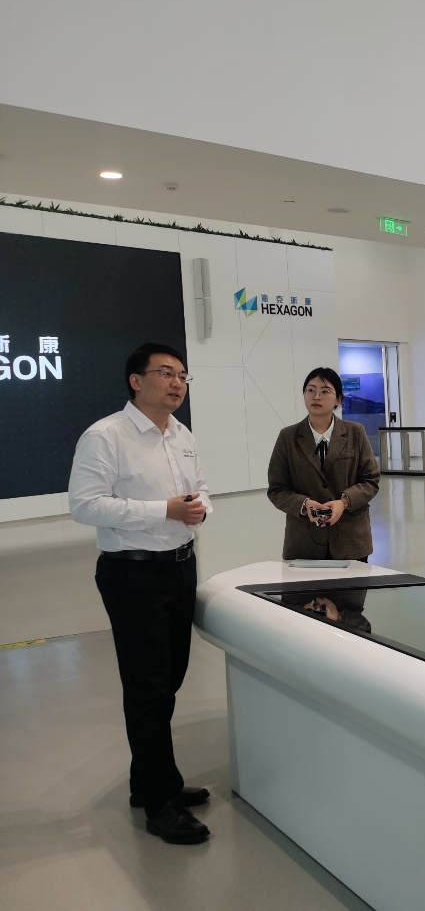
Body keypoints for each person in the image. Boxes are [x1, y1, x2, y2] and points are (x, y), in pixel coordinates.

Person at [68, 343, 213, 845]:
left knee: (169, 679)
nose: (177, 383)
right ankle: (160, 803)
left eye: (183, 375)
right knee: (148, 688)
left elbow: (201, 489)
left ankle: (147, 780)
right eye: (166, 373)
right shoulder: (105, 436)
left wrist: (200, 507)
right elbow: (85, 505)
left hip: (180, 567)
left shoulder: (182, 435)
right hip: (132, 574)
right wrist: (163, 510)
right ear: (136, 380)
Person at [267, 368, 381, 564]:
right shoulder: (288, 437)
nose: (317, 396)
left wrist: (343, 502)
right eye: (311, 390)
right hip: (304, 543)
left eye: (325, 391)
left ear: (338, 399)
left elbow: (370, 480)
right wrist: (304, 504)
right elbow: (277, 489)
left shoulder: (355, 432)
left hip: (351, 541)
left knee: (352, 586)